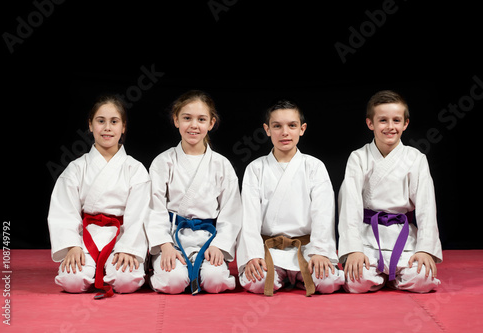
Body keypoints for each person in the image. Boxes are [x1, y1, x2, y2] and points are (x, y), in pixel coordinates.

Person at [338, 90, 443, 293]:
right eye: (383, 120)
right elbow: (350, 205)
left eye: (396, 120)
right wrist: (354, 249)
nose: (390, 127)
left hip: (403, 236)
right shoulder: (358, 158)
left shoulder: (416, 158)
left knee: (423, 280)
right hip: (367, 234)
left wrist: (424, 250)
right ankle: (384, 276)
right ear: (371, 124)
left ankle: (391, 278)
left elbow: (426, 206)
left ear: (405, 124)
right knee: (357, 282)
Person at [236, 99, 344, 296]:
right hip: (269, 249)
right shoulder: (255, 168)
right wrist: (253, 255)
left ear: (302, 129)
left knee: (328, 282)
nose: (284, 132)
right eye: (277, 126)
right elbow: (249, 218)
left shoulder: (314, 166)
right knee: (256, 282)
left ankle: (295, 275)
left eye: (292, 125)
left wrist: (320, 251)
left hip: (306, 247)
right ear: (267, 130)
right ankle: (290, 276)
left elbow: (323, 213)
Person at [47, 94, 150, 299]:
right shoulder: (76, 168)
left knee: (126, 281)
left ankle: (112, 266)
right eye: (100, 121)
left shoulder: (135, 169)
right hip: (86, 237)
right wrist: (72, 245)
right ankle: (91, 266)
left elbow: (140, 214)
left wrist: (129, 247)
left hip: (121, 235)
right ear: (90, 125)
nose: (107, 128)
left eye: (114, 122)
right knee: (72, 281)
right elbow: (63, 211)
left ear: (123, 127)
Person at [146, 90, 242, 294]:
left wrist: (219, 245)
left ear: (211, 123)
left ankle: (205, 267)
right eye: (187, 118)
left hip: (209, 239)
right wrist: (165, 245)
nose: (194, 125)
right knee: (173, 282)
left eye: (201, 119)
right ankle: (159, 269)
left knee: (215, 281)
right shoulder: (163, 162)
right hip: (173, 238)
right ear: (176, 120)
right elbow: (154, 208)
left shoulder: (221, 164)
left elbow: (231, 211)